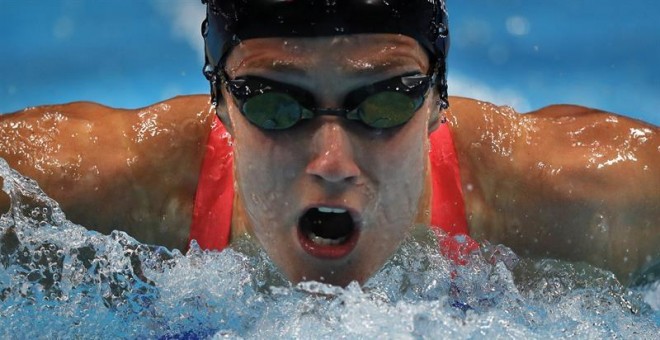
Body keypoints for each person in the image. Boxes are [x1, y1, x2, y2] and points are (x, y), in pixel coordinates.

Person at [0, 0, 657, 287]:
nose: (332, 163)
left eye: (386, 100)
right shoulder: (89, 185)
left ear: (438, 103)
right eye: (275, 103)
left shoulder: (589, 193)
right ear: (221, 106)